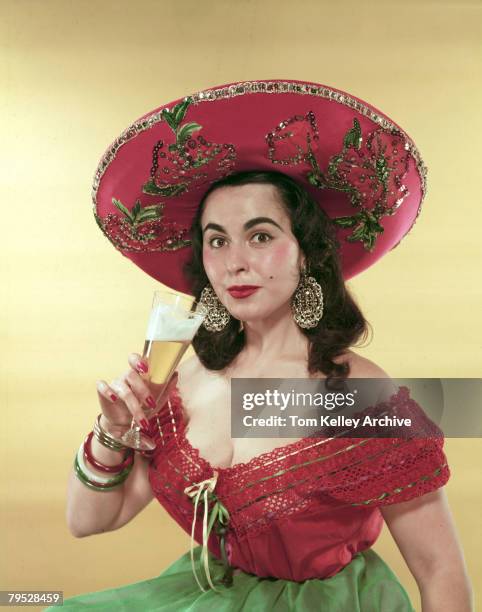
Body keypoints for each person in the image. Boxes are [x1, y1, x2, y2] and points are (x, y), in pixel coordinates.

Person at [52, 80, 472, 611]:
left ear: (308, 253)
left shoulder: (359, 393)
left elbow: (440, 571)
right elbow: (88, 520)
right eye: (217, 240)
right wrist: (113, 431)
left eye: (261, 236)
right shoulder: (182, 377)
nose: (235, 263)